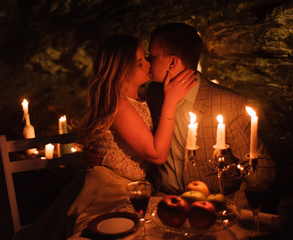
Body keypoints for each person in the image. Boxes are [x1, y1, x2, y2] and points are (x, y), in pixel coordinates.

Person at [18, 34, 195, 239]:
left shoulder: (141, 96)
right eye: (139, 63)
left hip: (127, 189)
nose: (148, 63)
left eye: (145, 57)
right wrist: (171, 101)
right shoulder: (117, 104)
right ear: (121, 71)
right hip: (106, 192)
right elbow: (156, 154)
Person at [146, 23, 275, 207]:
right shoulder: (152, 94)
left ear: (172, 62)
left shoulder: (227, 103)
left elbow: (261, 167)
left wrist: (230, 208)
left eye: (152, 55)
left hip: (210, 207)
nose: (148, 61)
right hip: (161, 201)